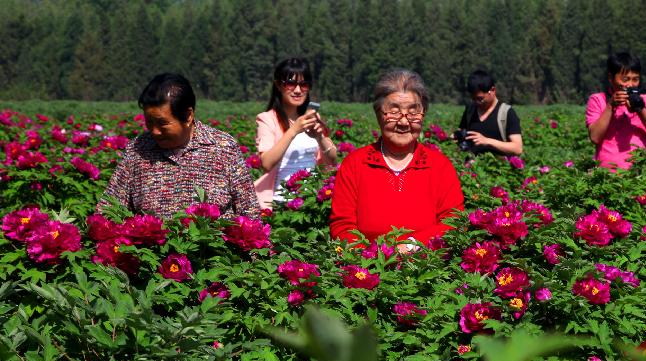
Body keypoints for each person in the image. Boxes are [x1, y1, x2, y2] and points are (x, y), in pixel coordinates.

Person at [330, 69, 464, 251]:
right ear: (378, 114)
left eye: (413, 112)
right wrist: (369, 259)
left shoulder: (440, 166)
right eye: (393, 112)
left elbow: (453, 222)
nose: (403, 122)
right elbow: (342, 226)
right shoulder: (355, 164)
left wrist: (412, 246)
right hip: (366, 270)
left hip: (426, 268)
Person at [99, 73, 259, 219]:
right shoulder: (138, 149)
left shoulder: (223, 147)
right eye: (149, 122)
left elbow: (249, 211)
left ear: (188, 116)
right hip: (151, 250)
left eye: (162, 123)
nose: (155, 131)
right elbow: (108, 208)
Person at [255, 58, 338, 209]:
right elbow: (266, 163)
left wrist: (320, 138)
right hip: (280, 202)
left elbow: (332, 161)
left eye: (304, 84)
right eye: (291, 83)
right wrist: (293, 130)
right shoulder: (267, 119)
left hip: (311, 201)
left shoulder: (312, 118)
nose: (298, 90)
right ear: (278, 85)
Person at [585, 52, 646, 171]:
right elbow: (595, 137)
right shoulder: (598, 100)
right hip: (606, 175)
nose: (630, 85)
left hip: (639, 174)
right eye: (625, 79)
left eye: (635, 79)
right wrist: (610, 106)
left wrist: (639, 109)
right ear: (610, 78)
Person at [456, 70, 523, 156]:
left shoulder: (506, 113)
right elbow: (462, 131)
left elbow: (517, 148)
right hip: (472, 166)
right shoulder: (470, 110)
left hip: (499, 167)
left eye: (480, 98)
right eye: (473, 98)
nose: (476, 102)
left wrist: (487, 141)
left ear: (492, 90)